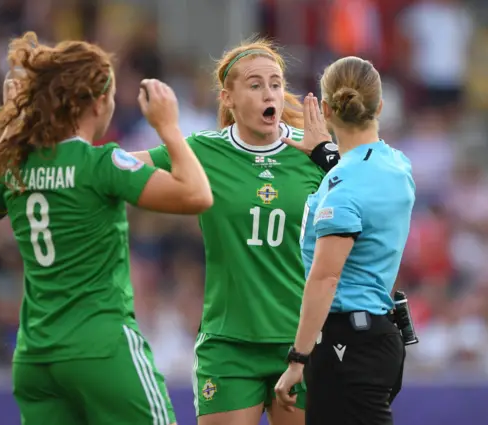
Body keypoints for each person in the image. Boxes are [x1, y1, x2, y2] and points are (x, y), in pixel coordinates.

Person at [0, 31, 213, 425]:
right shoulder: (101, 164)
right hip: (102, 349)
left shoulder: (17, 166)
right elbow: (197, 195)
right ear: (99, 103)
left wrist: (11, 132)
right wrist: (168, 128)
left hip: (37, 358)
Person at [133, 39, 330, 425]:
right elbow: (117, 166)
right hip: (229, 345)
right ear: (229, 97)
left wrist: (330, 156)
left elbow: (372, 201)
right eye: (255, 85)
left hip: (302, 342)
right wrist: (31, 163)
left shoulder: (313, 153)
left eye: (275, 83)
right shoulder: (205, 151)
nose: (268, 93)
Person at [275, 56, 416, 425]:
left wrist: (297, 359)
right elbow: (362, 174)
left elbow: (325, 277)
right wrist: (326, 154)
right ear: (379, 106)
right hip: (381, 338)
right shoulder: (399, 166)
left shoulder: (342, 190)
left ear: (325, 109)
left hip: (345, 343)